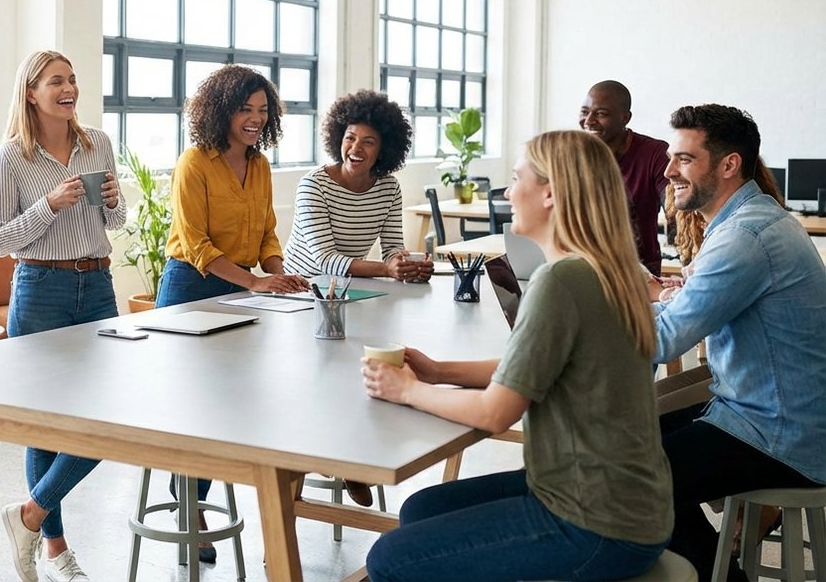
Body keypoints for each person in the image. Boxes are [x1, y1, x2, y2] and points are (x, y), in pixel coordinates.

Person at [363, 130, 673, 582]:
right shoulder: (614, 268)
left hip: (593, 522)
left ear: (550, 193)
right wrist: (438, 370)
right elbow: (533, 369)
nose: (507, 193)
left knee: (390, 560)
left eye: (515, 178)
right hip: (633, 505)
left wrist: (409, 390)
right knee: (423, 507)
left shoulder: (561, 281)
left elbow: (495, 413)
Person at [649, 104, 826, 582]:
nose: (668, 171)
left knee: (633, 478)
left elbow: (664, 339)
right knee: (637, 435)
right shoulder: (748, 220)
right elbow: (674, 316)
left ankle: (717, 574)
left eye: (684, 159)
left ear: (728, 165)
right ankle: (716, 567)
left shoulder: (745, 235)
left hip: (781, 433)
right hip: (762, 411)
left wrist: (577, 326)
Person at [155, 64, 309, 560]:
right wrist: (256, 281)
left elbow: (266, 233)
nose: (255, 119)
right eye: (245, 109)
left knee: (228, 404)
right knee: (195, 405)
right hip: (190, 287)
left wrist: (278, 275)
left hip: (243, 286)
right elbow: (196, 244)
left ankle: (191, 495)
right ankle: (190, 503)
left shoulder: (260, 166)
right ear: (221, 109)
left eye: (263, 111)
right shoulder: (194, 163)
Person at [0, 50, 125, 582]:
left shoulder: (98, 143)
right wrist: (49, 204)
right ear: (31, 92)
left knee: (107, 416)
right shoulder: (11, 157)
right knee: (44, 427)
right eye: (56, 82)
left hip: (97, 284)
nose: (69, 89)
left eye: (72, 79)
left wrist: (112, 200)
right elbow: (1, 240)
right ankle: (55, 549)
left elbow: (112, 221)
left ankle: (28, 514)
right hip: (40, 287)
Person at [284, 89, 433, 283]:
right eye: (350, 138)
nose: (356, 148)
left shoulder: (389, 188)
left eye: (368, 142)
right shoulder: (314, 186)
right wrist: (387, 270)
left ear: (383, 150)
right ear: (339, 138)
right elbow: (325, 260)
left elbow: (392, 249)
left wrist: (409, 266)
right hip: (299, 288)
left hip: (346, 286)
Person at [579, 80, 669, 274]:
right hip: (582, 267)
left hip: (638, 273)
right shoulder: (572, 156)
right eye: (585, 112)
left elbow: (676, 207)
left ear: (625, 118)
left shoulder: (654, 153)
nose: (588, 121)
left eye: (601, 114)